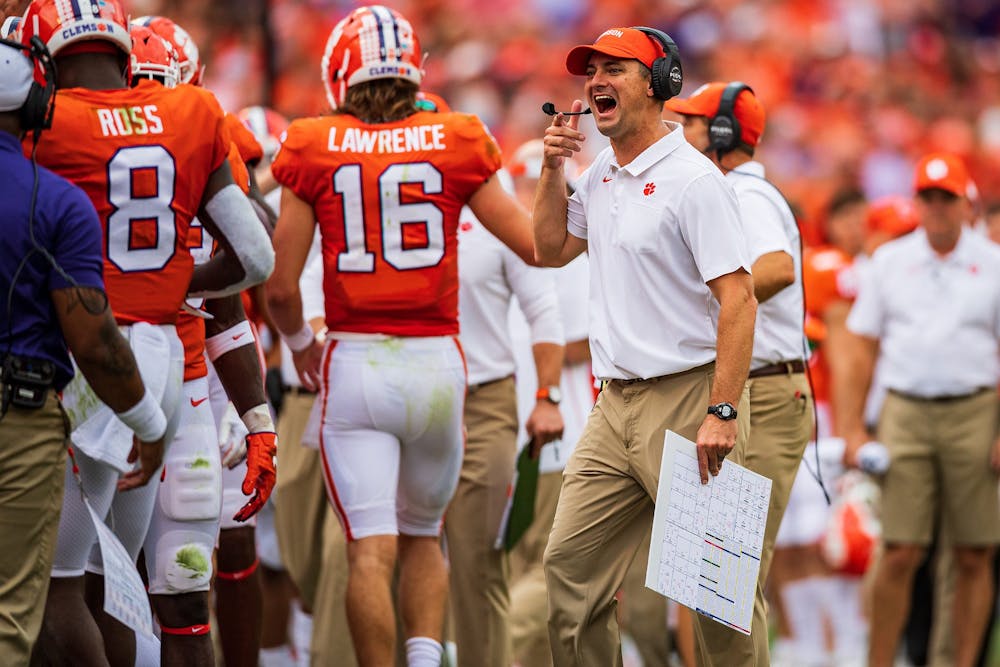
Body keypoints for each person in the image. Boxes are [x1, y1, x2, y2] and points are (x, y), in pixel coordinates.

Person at [265, 6, 537, 666]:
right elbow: (536, 244)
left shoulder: (311, 142)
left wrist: (301, 342)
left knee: (369, 545)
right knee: (423, 535)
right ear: (414, 72)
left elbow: (277, 288)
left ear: (339, 74)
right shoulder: (459, 137)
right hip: (439, 365)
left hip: (357, 361)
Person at [16, 1, 274, 664]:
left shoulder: (45, 122)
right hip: (167, 358)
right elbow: (255, 257)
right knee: (116, 578)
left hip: (92, 359)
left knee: (55, 585)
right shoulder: (193, 113)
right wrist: (175, 285)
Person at [532, 25, 756, 665]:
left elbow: (738, 299)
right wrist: (553, 168)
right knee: (569, 569)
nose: (597, 80)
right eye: (591, 69)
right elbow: (548, 250)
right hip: (614, 403)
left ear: (660, 85)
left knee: (719, 600)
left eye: (617, 68)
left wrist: (721, 409)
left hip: (687, 396)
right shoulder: (600, 170)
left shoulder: (694, 179)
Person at [0, 37, 168, 665]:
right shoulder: (57, 200)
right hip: (20, 414)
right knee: (24, 603)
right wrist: (148, 422)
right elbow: (94, 341)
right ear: (37, 101)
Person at [666, 80, 814, 666]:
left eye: (696, 122)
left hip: (766, 393)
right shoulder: (729, 189)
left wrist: (721, 295)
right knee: (711, 574)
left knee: (726, 570)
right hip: (755, 388)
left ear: (723, 133)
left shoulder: (743, 193)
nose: (684, 130)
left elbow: (775, 267)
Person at [843, 152, 1000, 667]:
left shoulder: (992, 261)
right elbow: (861, 347)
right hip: (906, 407)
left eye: (946, 197)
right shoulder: (891, 261)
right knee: (901, 548)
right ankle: (880, 661)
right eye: (928, 197)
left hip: (975, 407)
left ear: (963, 202)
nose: (936, 207)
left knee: (974, 550)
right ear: (917, 201)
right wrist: (851, 429)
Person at [449, 169, 565, 666]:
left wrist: (546, 394)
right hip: (410, 390)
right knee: (386, 553)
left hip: (493, 403)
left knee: (485, 562)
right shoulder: (381, 208)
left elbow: (549, 313)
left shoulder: (499, 224)